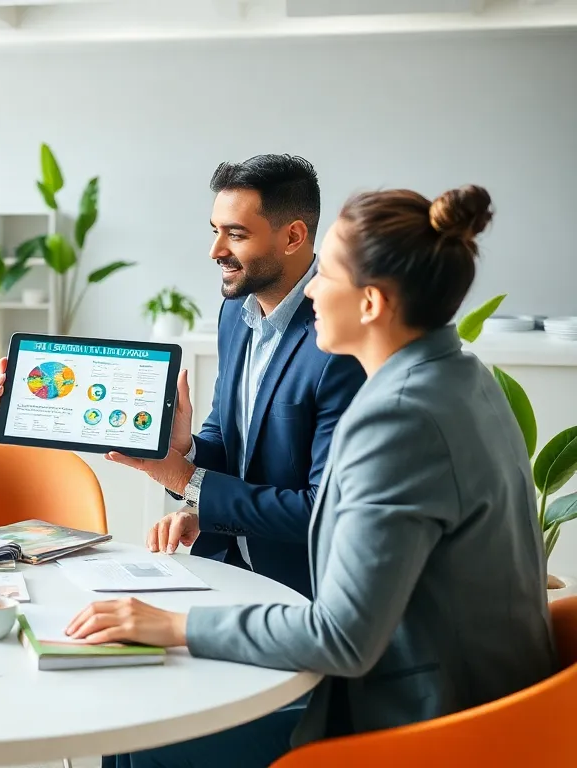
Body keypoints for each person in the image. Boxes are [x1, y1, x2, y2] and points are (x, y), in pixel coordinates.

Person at [71, 184, 557, 767]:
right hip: (485, 697)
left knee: (138, 735)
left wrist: (174, 625)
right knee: (142, 716)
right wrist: (188, 472)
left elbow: (343, 638)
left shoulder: (397, 419)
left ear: (371, 304)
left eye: (326, 274)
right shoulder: (463, 376)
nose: (312, 291)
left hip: (425, 720)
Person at [0, 154, 365, 599]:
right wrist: (187, 453)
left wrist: (187, 481)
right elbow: (230, 441)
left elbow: (321, 509)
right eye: (215, 230)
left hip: (302, 591)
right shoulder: (235, 313)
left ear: (293, 236)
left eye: (236, 234)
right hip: (225, 569)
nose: (215, 250)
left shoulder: (340, 340)